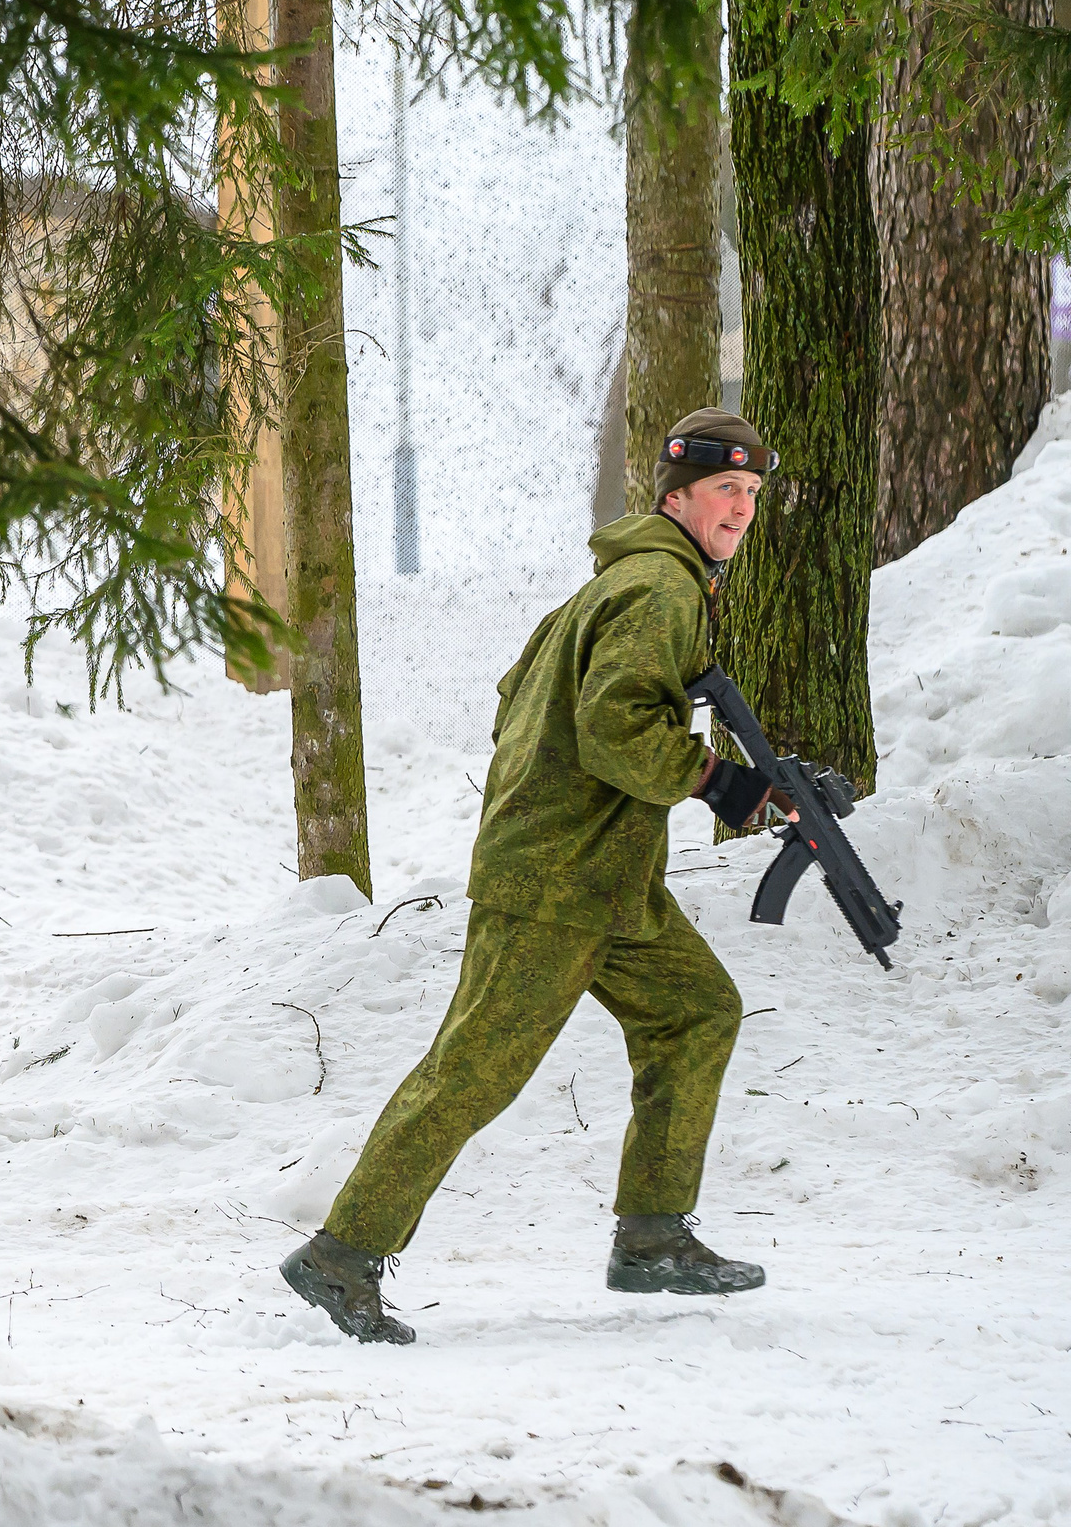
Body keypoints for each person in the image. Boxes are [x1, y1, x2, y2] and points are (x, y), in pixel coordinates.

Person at [281, 408, 787, 1344]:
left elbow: (522, 707)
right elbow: (613, 728)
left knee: (696, 1010)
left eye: (752, 494)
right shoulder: (658, 591)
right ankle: (341, 1256)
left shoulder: (626, 583)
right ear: (677, 496)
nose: (742, 509)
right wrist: (715, 779)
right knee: (473, 1072)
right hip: (558, 883)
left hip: (603, 879)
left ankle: (652, 1237)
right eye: (727, 489)